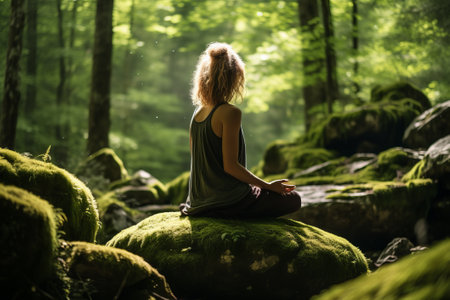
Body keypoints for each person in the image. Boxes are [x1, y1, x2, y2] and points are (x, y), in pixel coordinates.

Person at [180, 42, 301, 218]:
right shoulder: (230, 113)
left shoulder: (197, 113)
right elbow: (231, 167)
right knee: (293, 199)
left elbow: (199, 161)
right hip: (228, 201)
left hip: (199, 203)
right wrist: (267, 186)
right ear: (233, 78)